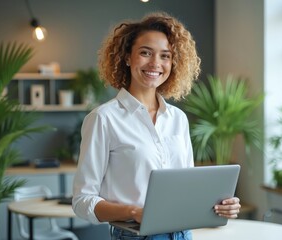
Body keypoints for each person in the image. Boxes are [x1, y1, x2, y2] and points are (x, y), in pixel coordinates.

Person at [72, 12, 241, 240]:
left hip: (183, 234)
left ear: (173, 63)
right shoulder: (103, 118)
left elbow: (189, 188)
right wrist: (135, 212)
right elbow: (83, 201)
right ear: (127, 57)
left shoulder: (178, 119)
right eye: (145, 53)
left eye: (165, 56)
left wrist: (221, 206)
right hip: (135, 236)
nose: (155, 63)